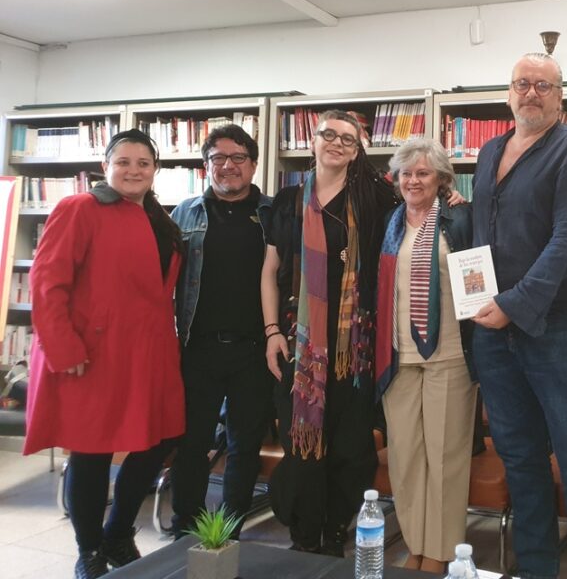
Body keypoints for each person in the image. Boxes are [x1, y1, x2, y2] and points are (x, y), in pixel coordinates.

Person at [471, 52, 567, 579]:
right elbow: (483, 234)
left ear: (560, 96)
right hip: (494, 330)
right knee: (520, 459)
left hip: (560, 325)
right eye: (522, 84)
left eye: (543, 84)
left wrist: (513, 304)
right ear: (509, 94)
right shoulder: (491, 151)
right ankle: (537, 570)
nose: (531, 92)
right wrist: (479, 300)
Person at [25, 129, 184, 579]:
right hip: (92, 353)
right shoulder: (80, 208)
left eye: (143, 163)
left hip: (148, 352)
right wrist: (62, 346)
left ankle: (118, 532)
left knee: (160, 439)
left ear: (155, 170)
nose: (133, 170)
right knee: (92, 452)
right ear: (105, 165)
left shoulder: (158, 218)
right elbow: (46, 281)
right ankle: (90, 549)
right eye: (124, 161)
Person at [261, 110, 400, 555]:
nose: (337, 144)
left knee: (350, 447)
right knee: (303, 446)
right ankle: (304, 535)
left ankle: (337, 529)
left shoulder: (374, 197)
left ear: (358, 150)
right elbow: (270, 271)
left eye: (348, 139)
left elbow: (422, 200)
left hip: (353, 349)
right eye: (329, 135)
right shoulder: (285, 200)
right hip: (297, 343)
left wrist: (450, 198)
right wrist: (270, 332)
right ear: (313, 141)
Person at [375, 138, 475, 574]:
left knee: (445, 456)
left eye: (424, 173)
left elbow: (478, 283)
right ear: (396, 180)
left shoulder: (461, 220)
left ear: (442, 180)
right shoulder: (390, 223)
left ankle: (442, 550)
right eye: (406, 173)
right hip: (398, 356)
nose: (414, 181)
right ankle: (415, 545)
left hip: (449, 353)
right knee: (406, 455)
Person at [170, 124, 273, 537]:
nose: (228, 166)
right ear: (205, 165)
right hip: (198, 349)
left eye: (238, 158)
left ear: (253, 164)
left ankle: (230, 525)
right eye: (218, 158)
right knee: (192, 442)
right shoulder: (185, 213)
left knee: (244, 444)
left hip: (254, 350)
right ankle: (185, 522)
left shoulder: (272, 212)